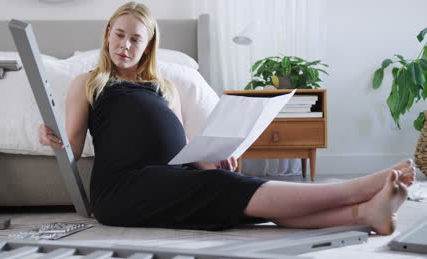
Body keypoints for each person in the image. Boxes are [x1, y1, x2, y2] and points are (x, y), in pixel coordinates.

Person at [39, 1, 416, 234]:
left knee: (242, 197)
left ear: (148, 44)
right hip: (123, 188)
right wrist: (50, 136)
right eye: (119, 35)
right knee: (225, 188)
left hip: (171, 176)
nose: (124, 45)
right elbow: (71, 144)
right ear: (107, 35)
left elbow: (181, 148)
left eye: (135, 39)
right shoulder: (88, 83)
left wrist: (211, 158)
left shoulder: (164, 87)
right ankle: (359, 188)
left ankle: (366, 213)